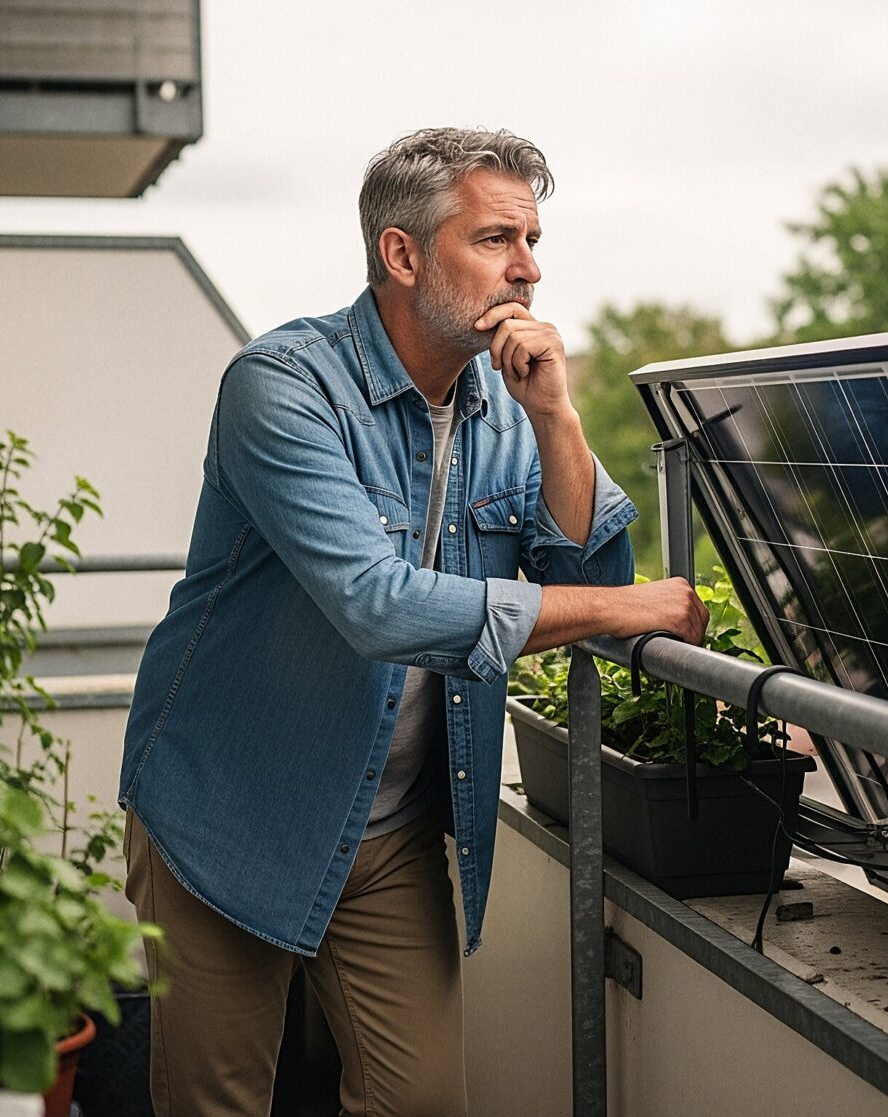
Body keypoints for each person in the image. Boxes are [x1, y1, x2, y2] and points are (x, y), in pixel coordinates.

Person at [117, 127, 708, 1117]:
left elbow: (582, 573)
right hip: (230, 809)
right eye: (495, 239)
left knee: (422, 1101)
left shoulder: (506, 407)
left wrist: (557, 418)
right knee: (215, 1103)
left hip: (388, 828)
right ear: (402, 253)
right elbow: (376, 602)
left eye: (531, 239)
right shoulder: (284, 385)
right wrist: (617, 605)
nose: (528, 268)